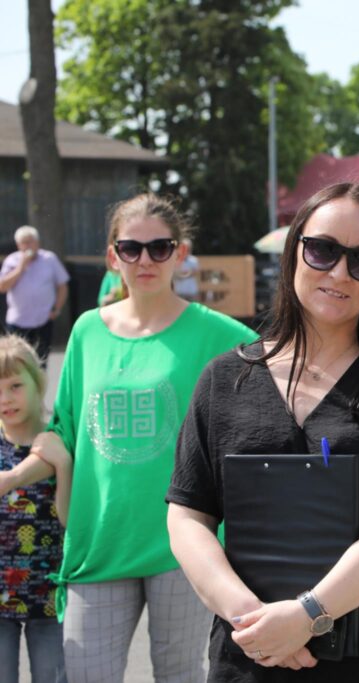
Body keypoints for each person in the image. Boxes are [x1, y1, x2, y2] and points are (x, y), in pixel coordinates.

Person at [166, 182, 359, 682]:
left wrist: (307, 615)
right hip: (251, 657)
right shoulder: (223, 379)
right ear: (294, 251)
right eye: (323, 250)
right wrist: (252, 619)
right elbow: (187, 516)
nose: (339, 273)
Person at [10, 193, 258, 682]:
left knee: (179, 674)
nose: (145, 260)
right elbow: (64, 433)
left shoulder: (220, 334)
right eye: (131, 248)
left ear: (180, 254)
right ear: (112, 256)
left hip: (185, 542)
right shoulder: (86, 332)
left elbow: (277, 392)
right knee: (87, 674)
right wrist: (12, 475)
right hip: (100, 540)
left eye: (159, 248)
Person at [0, 335, 66, 683]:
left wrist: (63, 465)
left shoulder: (56, 439)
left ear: (38, 382)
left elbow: (68, 518)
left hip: (49, 596)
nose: (5, 399)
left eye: (15, 386)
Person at [0, 226, 70, 366]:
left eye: (30, 241)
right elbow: (3, 287)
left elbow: (62, 285)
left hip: (43, 319)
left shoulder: (49, 259)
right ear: (18, 245)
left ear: (37, 243)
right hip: (18, 321)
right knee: (18, 362)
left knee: (41, 361)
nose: (27, 246)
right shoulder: (12, 261)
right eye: (24, 242)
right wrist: (20, 267)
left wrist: (57, 308)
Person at [173, 238, 201, 302]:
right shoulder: (175, 260)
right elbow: (174, 273)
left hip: (191, 291)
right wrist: (185, 274)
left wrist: (182, 275)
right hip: (179, 291)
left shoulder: (194, 260)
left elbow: (195, 273)